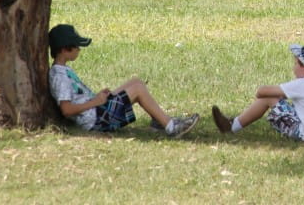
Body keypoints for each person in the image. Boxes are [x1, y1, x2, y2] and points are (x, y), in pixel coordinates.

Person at [48, 23, 199, 138]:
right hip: (96, 119)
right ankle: (171, 127)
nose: (79, 49)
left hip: (96, 110)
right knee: (138, 90)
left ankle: (160, 121)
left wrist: (98, 98)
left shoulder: (63, 70)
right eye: (75, 46)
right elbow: (66, 110)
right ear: (63, 49)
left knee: (136, 83)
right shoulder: (59, 76)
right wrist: (95, 102)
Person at [211, 44, 304, 143]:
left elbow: (261, 92)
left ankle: (232, 126)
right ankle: (232, 124)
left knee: (269, 99)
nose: (293, 67)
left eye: (295, 64)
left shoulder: (301, 85)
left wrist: (277, 95)